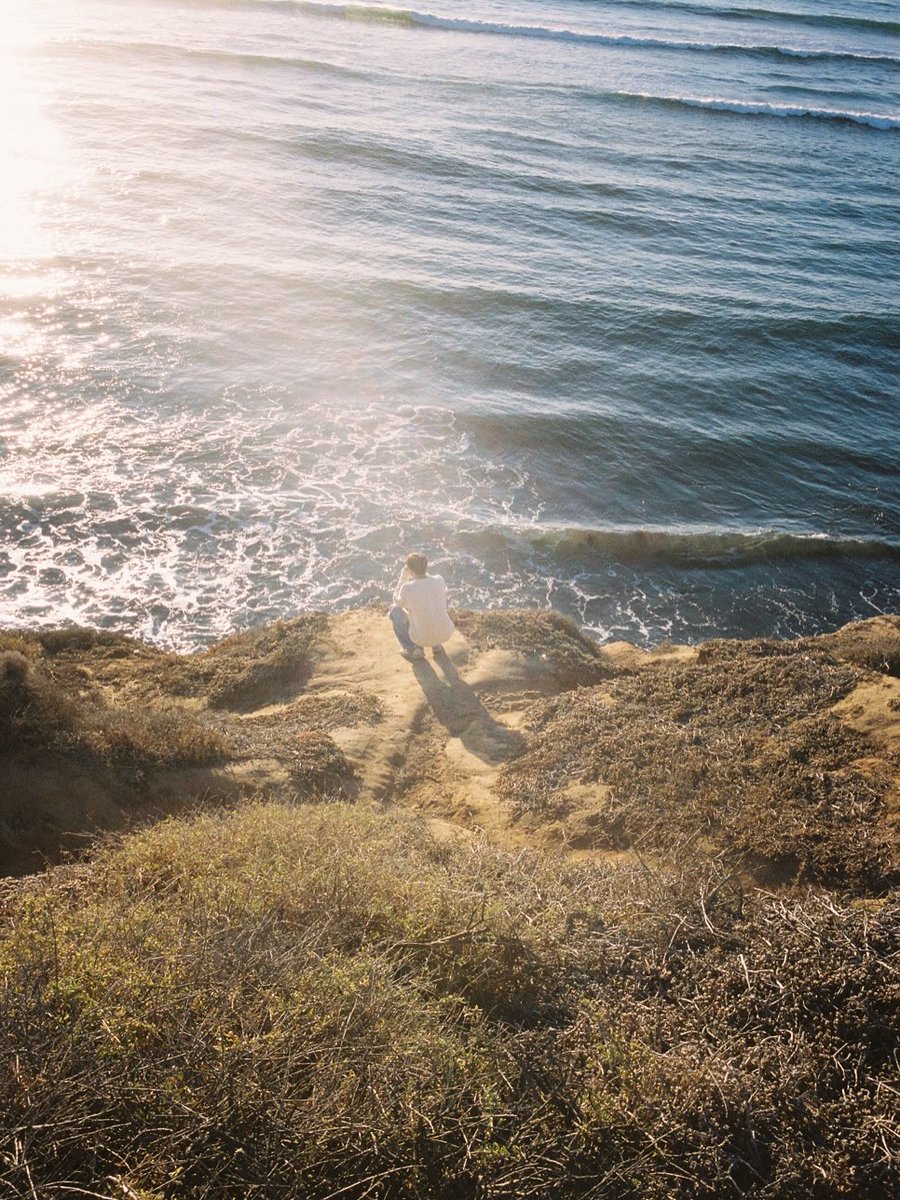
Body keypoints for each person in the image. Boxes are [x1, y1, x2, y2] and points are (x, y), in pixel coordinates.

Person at [389, 552, 455, 661]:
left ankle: (413, 649)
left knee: (394, 611)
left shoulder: (408, 588)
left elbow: (396, 601)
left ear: (409, 569)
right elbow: (425, 587)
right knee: (431, 602)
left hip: (421, 639)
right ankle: (436, 645)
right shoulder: (439, 579)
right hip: (445, 634)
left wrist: (403, 576)